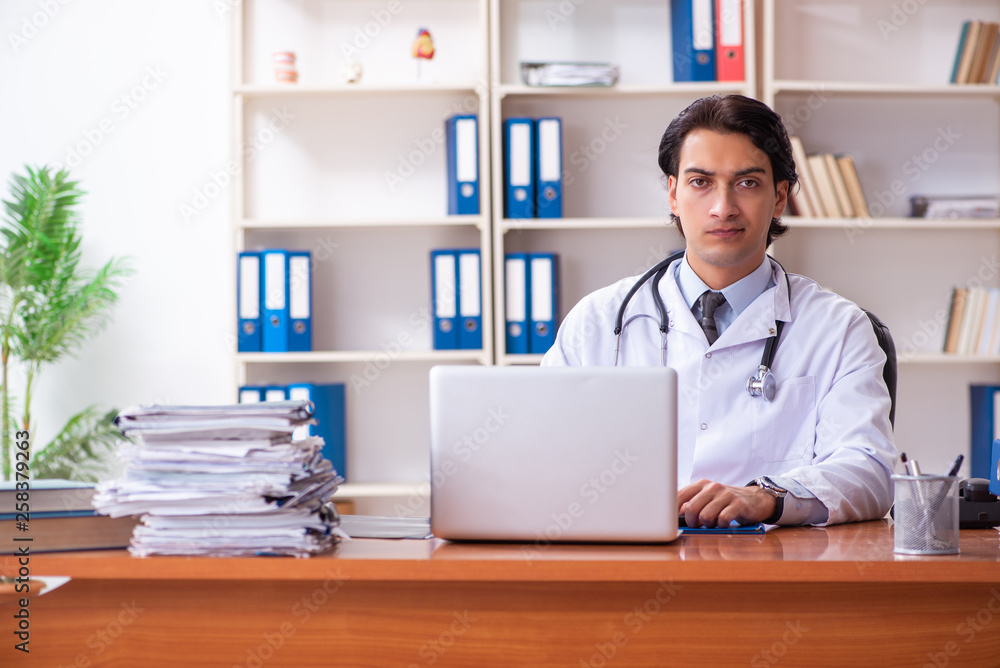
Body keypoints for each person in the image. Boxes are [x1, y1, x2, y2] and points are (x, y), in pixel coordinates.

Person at [541, 94, 896, 528]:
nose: (722, 207)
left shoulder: (838, 328)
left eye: (747, 183)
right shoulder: (597, 323)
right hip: (627, 570)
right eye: (700, 182)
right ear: (672, 193)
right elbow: (543, 457)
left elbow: (870, 473)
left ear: (780, 197)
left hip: (774, 575)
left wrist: (766, 497)